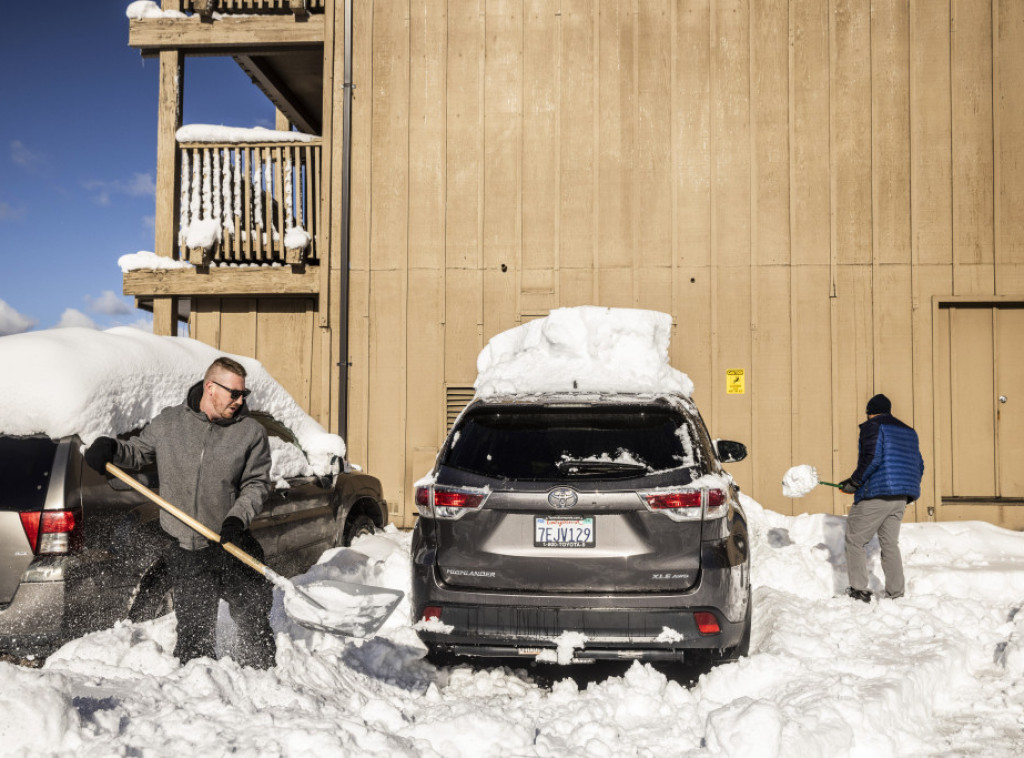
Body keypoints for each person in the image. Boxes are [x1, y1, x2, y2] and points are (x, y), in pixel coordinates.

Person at [84, 357, 276, 668]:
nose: (240, 401)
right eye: (234, 393)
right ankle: (199, 696)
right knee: (194, 638)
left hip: (231, 541)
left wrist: (236, 518)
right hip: (188, 550)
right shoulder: (169, 423)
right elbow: (137, 452)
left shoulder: (250, 432)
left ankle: (265, 683)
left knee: (254, 624)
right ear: (210, 387)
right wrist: (111, 449)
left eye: (244, 394)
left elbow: (256, 484)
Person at [838, 393, 924, 603]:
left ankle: (859, 590)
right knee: (890, 544)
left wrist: (854, 482)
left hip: (877, 493)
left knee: (855, 540)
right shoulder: (909, 431)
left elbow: (872, 458)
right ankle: (896, 593)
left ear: (870, 412)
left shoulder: (873, 426)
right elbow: (919, 465)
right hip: (901, 496)